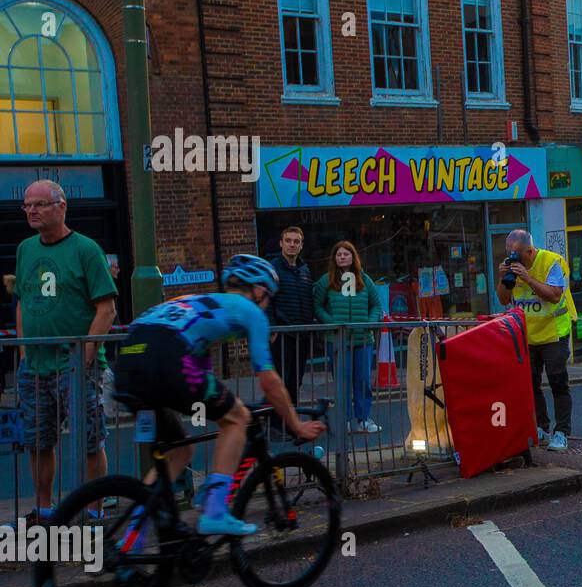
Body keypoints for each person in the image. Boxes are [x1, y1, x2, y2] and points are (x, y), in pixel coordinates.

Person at [112, 255, 324, 537]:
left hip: (128, 361)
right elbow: (269, 379)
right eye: (269, 297)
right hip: (166, 356)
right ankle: (214, 511)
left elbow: (203, 379)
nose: (268, 303)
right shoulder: (251, 311)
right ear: (259, 291)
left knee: (179, 450)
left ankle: (131, 540)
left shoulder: (198, 303)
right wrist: (295, 423)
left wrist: (219, 404)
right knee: (238, 418)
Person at [14, 180, 117, 519]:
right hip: (36, 368)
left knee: (89, 441)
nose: (31, 210)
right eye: (27, 205)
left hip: (77, 367)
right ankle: (45, 509)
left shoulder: (87, 250)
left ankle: (94, 513)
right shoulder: (25, 249)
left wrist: (84, 359)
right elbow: (23, 302)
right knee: (39, 442)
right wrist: (25, 353)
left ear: (61, 206)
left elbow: (106, 309)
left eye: (40, 204)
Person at [496, 229, 577, 452]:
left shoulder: (552, 262)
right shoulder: (512, 268)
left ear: (530, 251)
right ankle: (541, 427)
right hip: (527, 335)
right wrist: (504, 278)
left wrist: (528, 278)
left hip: (554, 334)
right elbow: (504, 300)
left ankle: (561, 432)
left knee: (558, 383)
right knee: (531, 384)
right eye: (509, 254)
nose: (513, 259)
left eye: (518, 254)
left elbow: (554, 295)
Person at [313, 240, 383, 432]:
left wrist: (369, 322)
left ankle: (363, 419)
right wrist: (331, 323)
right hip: (338, 341)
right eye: (339, 254)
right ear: (334, 258)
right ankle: (344, 421)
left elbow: (376, 305)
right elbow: (317, 305)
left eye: (346, 254)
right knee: (342, 384)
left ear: (353, 257)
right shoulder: (325, 281)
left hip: (363, 340)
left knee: (363, 382)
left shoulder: (365, 280)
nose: (342, 257)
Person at [267, 226, 316, 416]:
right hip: (282, 334)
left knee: (296, 381)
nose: (292, 245)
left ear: (301, 245)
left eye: (296, 241)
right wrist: (273, 328)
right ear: (281, 243)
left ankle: (291, 421)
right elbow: (267, 300)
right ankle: (277, 422)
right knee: (280, 381)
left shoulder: (305, 269)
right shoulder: (273, 268)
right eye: (288, 240)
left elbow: (308, 299)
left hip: (301, 335)